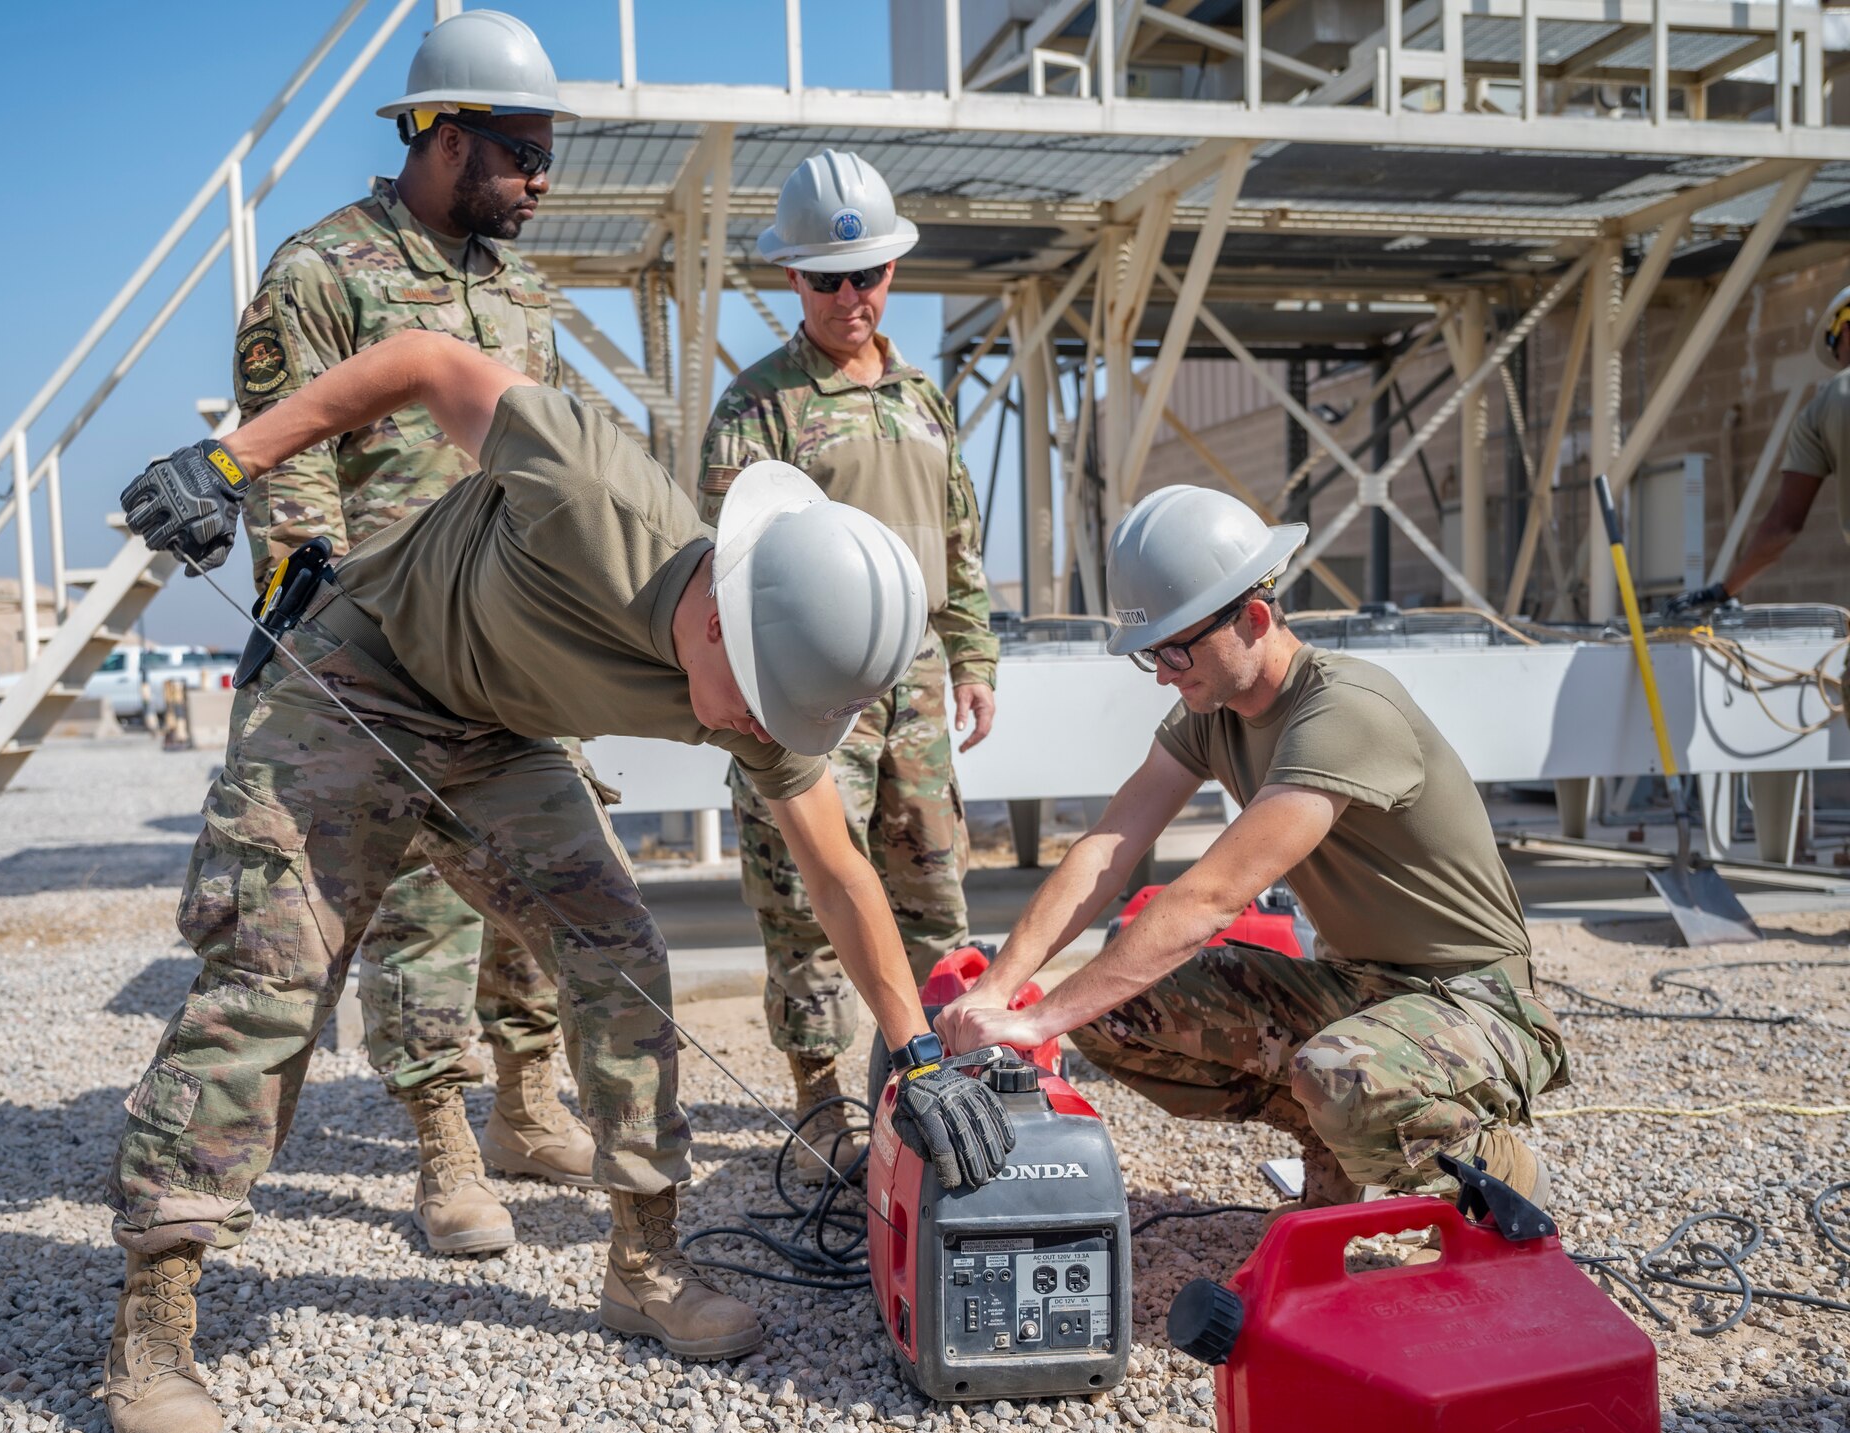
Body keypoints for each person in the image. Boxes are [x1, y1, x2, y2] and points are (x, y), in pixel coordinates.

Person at [102, 328, 1015, 1433]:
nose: (758, 731)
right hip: (354, 673)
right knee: (274, 977)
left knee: (615, 948)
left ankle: (643, 1263)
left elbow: (839, 873)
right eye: (763, 703)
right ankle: (155, 1323)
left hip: (494, 735)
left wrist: (916, 1054)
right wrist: (233, 460)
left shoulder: (769, 685)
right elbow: (430, 360)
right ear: (727, 615)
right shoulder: (597, 495)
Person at [936, 485, 1567, 1215]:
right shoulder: (1214, 711)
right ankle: (1331, 1135)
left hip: (1474, 1003)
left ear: (1256, 618)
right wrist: (1003, 988)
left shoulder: (1345, 710)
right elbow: (1110, 844)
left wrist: (1038, 1023)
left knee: (1342, 1077)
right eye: (1150, 655)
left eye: (1176, 648)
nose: (1165, 672)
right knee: (1112, 1015)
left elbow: (1209, 899)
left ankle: (1500, 1172)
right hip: (1356, 988)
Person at [235, 10, 599, 1259]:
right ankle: (444, 1149)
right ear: (443, 137)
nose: (543, 178)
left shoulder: (516, 288)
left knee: (547, 880)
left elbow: (548, 456)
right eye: (523, 152)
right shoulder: (321, 271)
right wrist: (324, 622)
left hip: (515, 635)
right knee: (421, 914)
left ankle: (525, 1104)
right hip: (388, 640)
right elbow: (290, 463)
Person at [698, 150, 998, 1178]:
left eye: (864, 273)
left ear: (891, 273)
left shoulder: (922, 396)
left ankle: (938, 1065)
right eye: (824, 278)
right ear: (792, 280)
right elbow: (722, 564)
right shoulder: (758, 408)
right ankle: (819, 1097)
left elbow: (957, 538)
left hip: (913, 685)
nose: (847, 296)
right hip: (808, 693)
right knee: (802, 896)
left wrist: (972, 655)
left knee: (929, 880)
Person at [1669, 284, 1850, 615]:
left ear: (1844, 331)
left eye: (1833, 345)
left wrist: (1723, 591)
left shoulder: (1827, 403)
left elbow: (1784, 525)